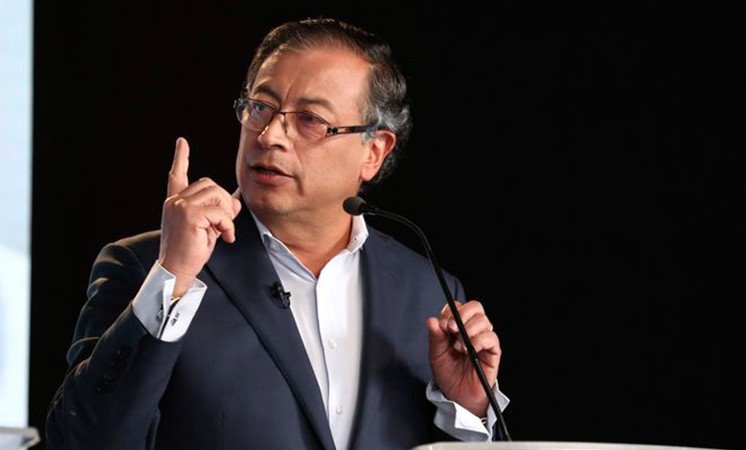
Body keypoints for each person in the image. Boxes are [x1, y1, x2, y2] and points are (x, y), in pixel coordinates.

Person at [45, 17, 509, 450]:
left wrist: (468, 409)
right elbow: (79, 440)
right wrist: (173, 278)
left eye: (310, 119)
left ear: (373, 152)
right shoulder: (147, 269)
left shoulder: (429, 291)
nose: (269, 136)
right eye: (260, 107)